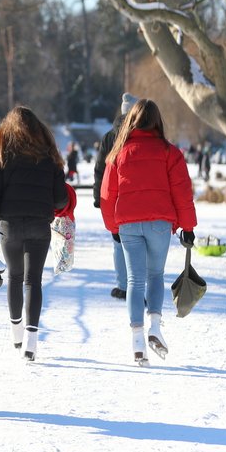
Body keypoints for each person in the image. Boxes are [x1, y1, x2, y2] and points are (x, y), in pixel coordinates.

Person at [100, 98, 197, 366]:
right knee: (155, 275)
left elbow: (108, 195)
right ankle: (155, 324)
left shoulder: (118, 154)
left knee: (134, 281)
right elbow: (182, 192)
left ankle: (137, 340)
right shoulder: (170, 153)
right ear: (157, 121)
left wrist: (113, 227)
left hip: (129, 223)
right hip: (160, 223)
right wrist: (187, 227)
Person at [0, 106, 68, 361]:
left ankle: (16, 334)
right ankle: (31, 340)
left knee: (15, 277)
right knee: (34, 280)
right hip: (40, 224)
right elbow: (60, 198)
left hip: (10, 224)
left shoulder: (1, 154)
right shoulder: (48, 157)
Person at [93, 92, 136, 300]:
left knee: (118, 242)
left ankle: (122, 284)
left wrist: (97, 197)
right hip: (137, 197)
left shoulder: (110, 136)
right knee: (139, 243)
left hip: (114, 198)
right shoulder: (142, 135)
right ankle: (138, 286)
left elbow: (100, 169)